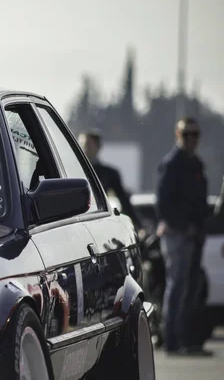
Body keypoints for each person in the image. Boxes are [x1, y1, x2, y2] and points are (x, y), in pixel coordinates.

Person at [155, 117, 211, 356]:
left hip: (194, 236)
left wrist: (199, 227)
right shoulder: (172, 164)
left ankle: (186, 340)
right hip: (177, 236)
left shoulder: (196, 164)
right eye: (186, 134)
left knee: (190, 289)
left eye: (195, 134)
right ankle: (172, 341)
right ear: (177, 135)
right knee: (176, 287)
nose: (191, 139)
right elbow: (163, 204)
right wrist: (183, 226)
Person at [77, 129, 144, 234]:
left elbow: (124, 200)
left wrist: (138, 225)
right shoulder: (71, 171)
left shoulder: (108, 173)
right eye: (81, 145)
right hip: (75, 221)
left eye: (88, 145)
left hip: (98, 221)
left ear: (98, 147)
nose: (84, 149)